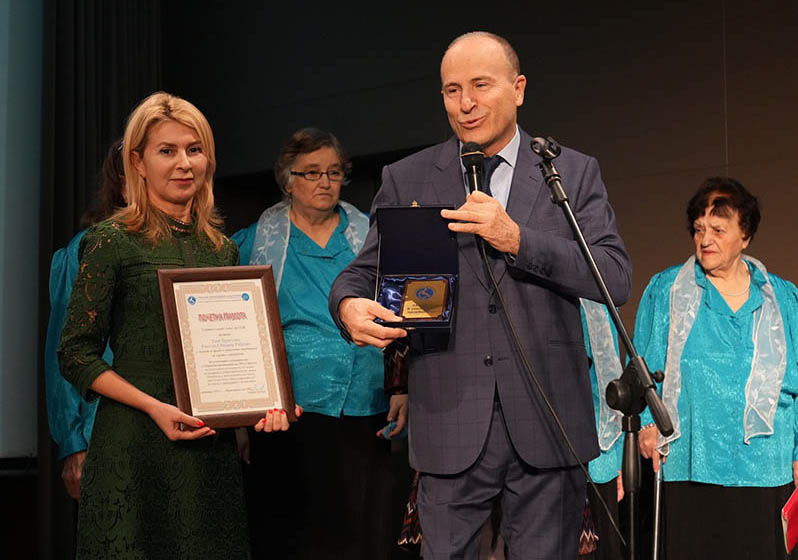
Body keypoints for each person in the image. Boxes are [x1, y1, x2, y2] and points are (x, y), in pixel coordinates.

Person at [329, 31, 632, 559]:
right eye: (452, 90)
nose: (465, 103)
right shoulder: (409, 177)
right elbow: (361, 274)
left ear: (518, 88)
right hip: (449, 423)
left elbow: (614, 276)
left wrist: (517, 239)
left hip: (547, 421)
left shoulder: (569, 171)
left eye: (480, 85)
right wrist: (348, 306)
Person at [57, 92, 295, 559]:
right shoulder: (110, 241)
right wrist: (154, 407)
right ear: (137, 163)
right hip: (133, 448)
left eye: (194, 149)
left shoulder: (222, 249)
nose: (184, 163)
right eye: (167, 151)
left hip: (209, 455)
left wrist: (260, 407)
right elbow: (75, 353)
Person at [233, 127, 407, 558]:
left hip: (367, 406)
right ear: (287, 179)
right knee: (298, 533)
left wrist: (402, 385)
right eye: (311, 172)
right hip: (291, 413)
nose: (325, 182)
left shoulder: (370, 234)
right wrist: (238, 417)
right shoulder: (255, 241)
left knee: (366, 533)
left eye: (334, 172)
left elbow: (402, 311)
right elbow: (236, 328)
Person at [635, 177, 798, 559]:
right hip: (690, 461)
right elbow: (640, 369)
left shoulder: (784, 298)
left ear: (745, 236)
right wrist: (646, 423)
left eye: (718, 230)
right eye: (699, 229)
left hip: (764, 465)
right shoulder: (666, 290)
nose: (705, 239)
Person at [45, 138, 125, 500]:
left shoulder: (200, 247)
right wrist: (73, 443)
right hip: (105, 432)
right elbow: (64, 353)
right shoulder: (88, 249)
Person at [579, 298, 624, 560]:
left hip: (598, 455)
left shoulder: (597, 299)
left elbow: (609, 380)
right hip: (545, 459)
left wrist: (616, 458)